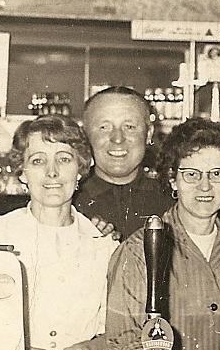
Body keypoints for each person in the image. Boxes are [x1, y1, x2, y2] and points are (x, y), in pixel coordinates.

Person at [0, 115, 117, 350]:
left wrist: (86, 349)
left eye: (64, 159)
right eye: (38, 161)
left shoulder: (104, 245)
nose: (52, 172)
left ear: (81, 169)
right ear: (22, 173)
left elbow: (115, 333)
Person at [106, 117, 220, 350]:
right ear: (172, 179)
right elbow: (124, 340)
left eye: (217, 174)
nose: (205, 186)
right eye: (191, 174)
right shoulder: (139, 250)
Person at [74, 86, 173, 237]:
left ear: (149, 134)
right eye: (104, 127)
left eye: (129, 127)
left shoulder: (172, 203)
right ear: (85, 134)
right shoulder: (70, 203)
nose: (118, 138)